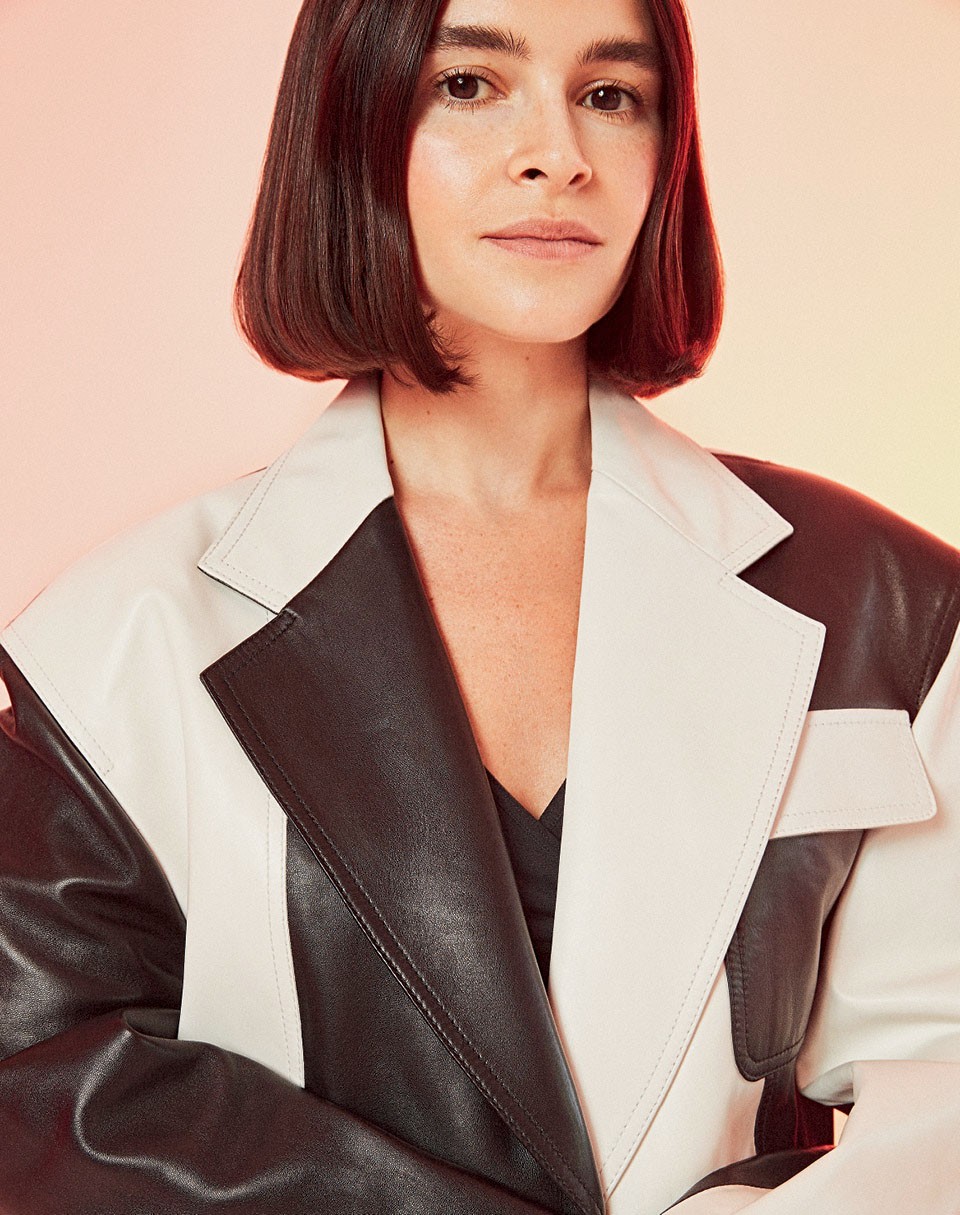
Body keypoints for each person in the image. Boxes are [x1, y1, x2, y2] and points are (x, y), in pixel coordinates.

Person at [1, 0, 958, 1211]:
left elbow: (940, 1093)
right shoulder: (117, 635)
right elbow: (42, 1085)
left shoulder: (884, 602)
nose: (558, 152)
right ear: (348, 126)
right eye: (468, 84)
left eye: (610, 95)